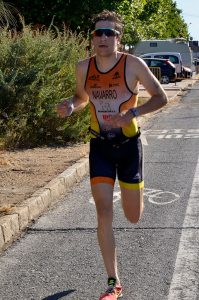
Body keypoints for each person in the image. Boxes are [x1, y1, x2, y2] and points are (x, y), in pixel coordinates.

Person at [57, 9, 168, 300]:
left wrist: (132, 112)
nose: (103, 37)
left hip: (129, 146)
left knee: (133, 216)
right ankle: (112, 282)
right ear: (93, 38)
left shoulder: (134, 65)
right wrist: (70, 106)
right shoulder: (84, 68)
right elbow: (82, 99)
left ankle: (134, 197)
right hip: (101, 147)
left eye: (110, 32)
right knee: (103, 210)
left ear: (119, 38)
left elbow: (161, 97)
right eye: (98, 32)